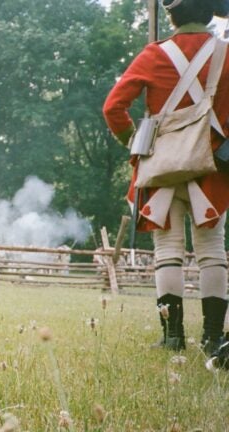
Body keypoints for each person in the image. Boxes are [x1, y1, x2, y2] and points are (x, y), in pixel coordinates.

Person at [103, 0, 229, 353]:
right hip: (212, 167)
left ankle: (173, 337)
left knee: (168, 250)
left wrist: (135, 142)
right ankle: (213, 338)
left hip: (161, 167)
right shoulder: (226, 54)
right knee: (212, 251)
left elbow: (113, 108)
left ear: (172, 15)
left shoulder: (154, 55)